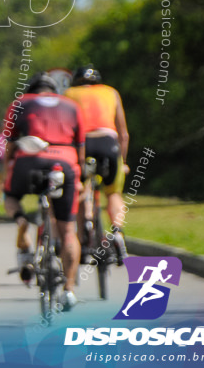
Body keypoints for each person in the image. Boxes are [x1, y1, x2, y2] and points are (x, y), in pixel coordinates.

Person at [2, 73, 85, 310]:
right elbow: (81, 148)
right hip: (65, 162)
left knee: (11, 197)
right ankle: (68, 290)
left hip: (29, 160)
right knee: (68, 230)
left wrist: (6, 168)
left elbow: (8, 143)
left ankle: (21, 222)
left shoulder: (20, 102)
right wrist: (81, 177)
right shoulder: (72, 105)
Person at [63, 66, 131, 263]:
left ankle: (85, 235)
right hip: (108, 143)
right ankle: (117, 232)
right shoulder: (111, 92)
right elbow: (124, 134)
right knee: (113, 193)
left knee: (81, 190)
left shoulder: (69, 93)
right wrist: (123, 162)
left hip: (83, 144)